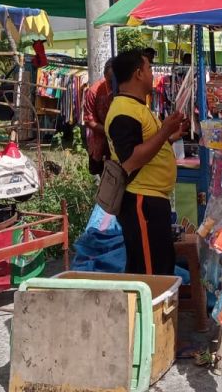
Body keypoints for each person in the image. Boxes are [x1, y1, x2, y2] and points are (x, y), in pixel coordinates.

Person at [106, 49, 188, 275]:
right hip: (141, 200)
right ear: (138, 74)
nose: (153, 74)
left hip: (151, 199)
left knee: (159, 264)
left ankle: (156, 309)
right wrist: (164, 132)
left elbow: (148, 144)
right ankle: (151, 310)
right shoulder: (124, 111)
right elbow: (131, 160)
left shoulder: (137, 107)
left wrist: (170, 136)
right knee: (151, 271)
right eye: (150, 68)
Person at [81, 59, 114, 176]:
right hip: (102, 144)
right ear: (105, 76)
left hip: (122, 145)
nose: (113, 85)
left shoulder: (126, 88)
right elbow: (89, 121)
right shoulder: (93, 92)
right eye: (110, 81)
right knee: (107, 182)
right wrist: (108, 131)